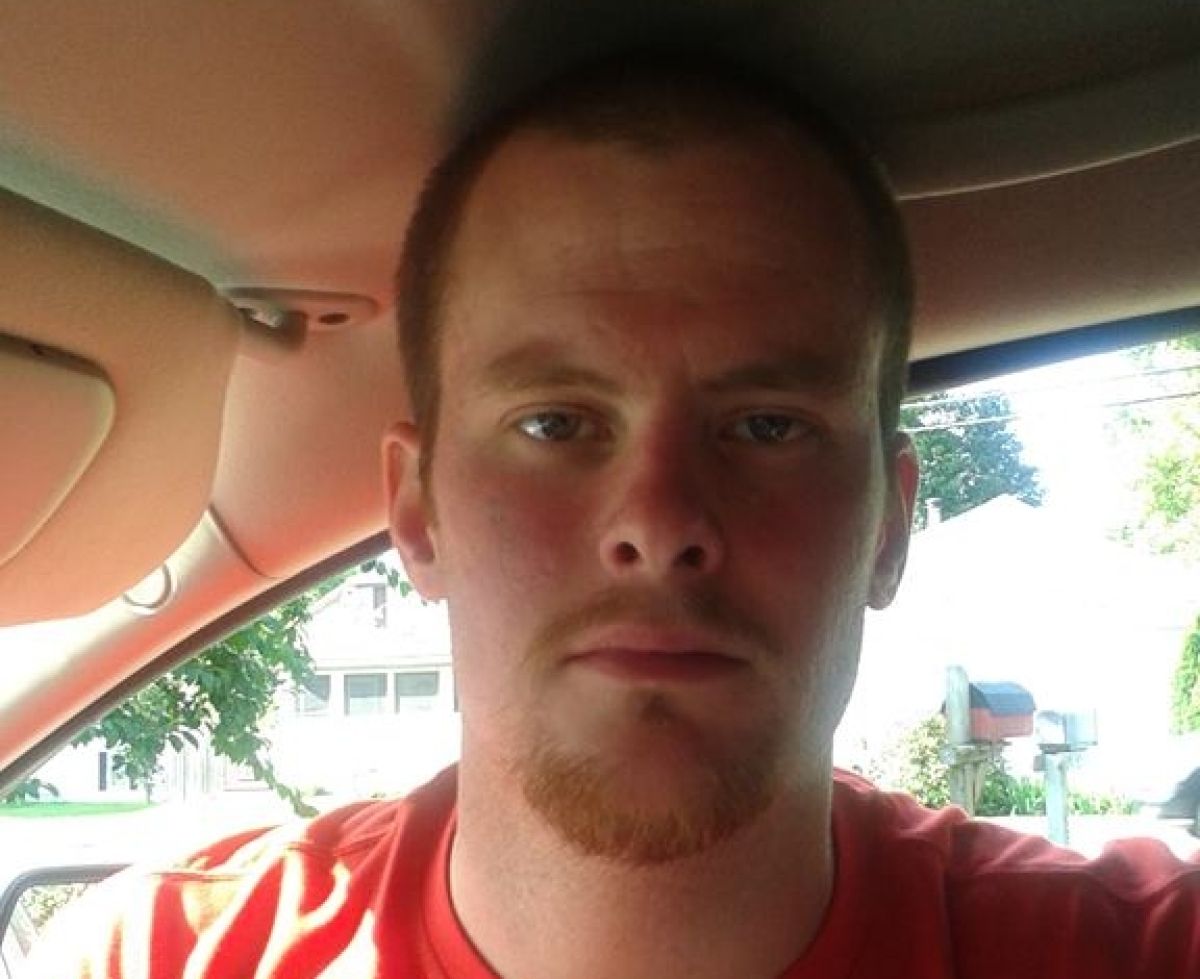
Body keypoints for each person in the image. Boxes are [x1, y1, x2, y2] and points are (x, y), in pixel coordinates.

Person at [34, 51, 1200, 979]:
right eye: (556, 422)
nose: (660, 519)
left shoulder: (1135, 951)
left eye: (768, 426)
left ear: (888, 529)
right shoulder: (155, 958)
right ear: (417, 513)